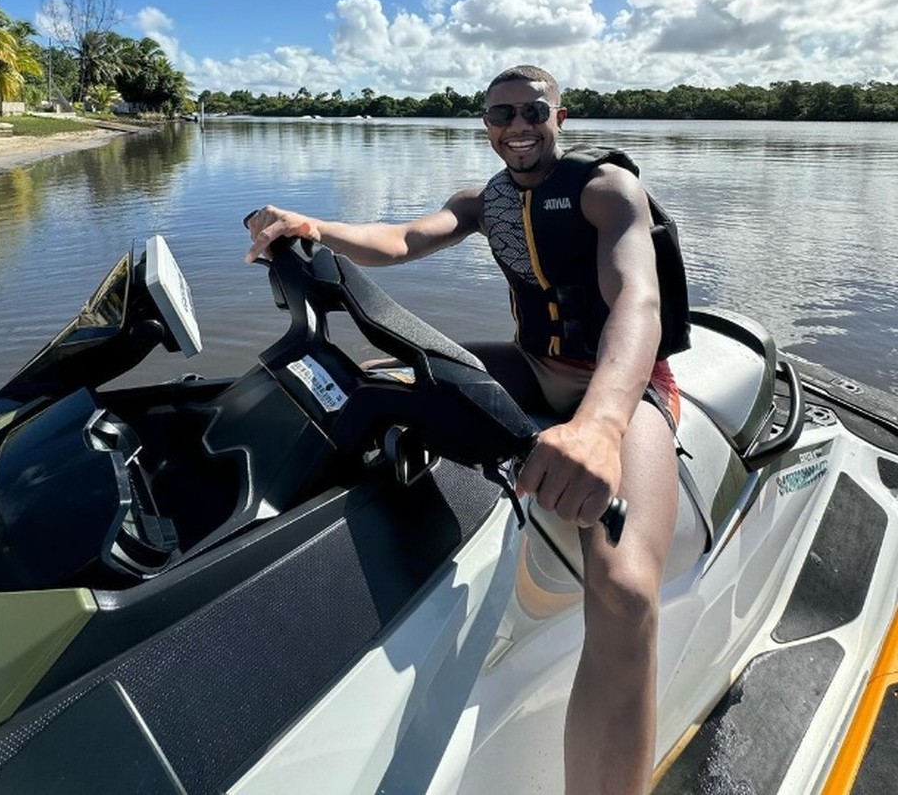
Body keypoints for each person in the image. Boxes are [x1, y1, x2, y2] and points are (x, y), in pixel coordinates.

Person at [245, 64, 681, 795]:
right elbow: (401, 238)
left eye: (532, 111)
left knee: (627, 590)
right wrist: (313, 227)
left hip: (621, 387)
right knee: (366, 381)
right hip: (532, 365)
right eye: (500, 114)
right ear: (485, 125)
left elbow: (638, 300)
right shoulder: (486, 201)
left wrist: (601, 425)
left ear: (560, 116)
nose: (516, 126)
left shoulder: (609, 192)